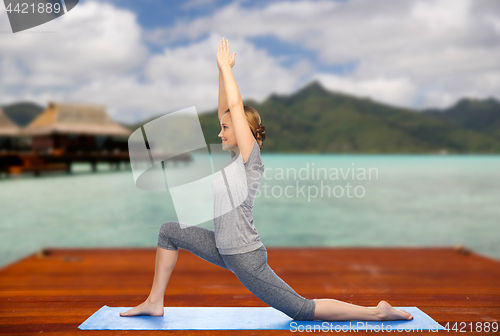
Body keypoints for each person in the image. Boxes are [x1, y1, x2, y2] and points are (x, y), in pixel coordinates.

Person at [119, 37, 414, 322]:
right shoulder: (231, 158)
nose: (220, 133)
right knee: (169, 231)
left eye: (225, 128)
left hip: (246, 257)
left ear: (241, 131)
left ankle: (377, 312)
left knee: (301, 310)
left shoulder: (250, 160)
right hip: (223, 248)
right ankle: (154, 302)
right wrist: (223, 73)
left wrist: (225, 70)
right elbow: (227, 109)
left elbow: (234, 109)